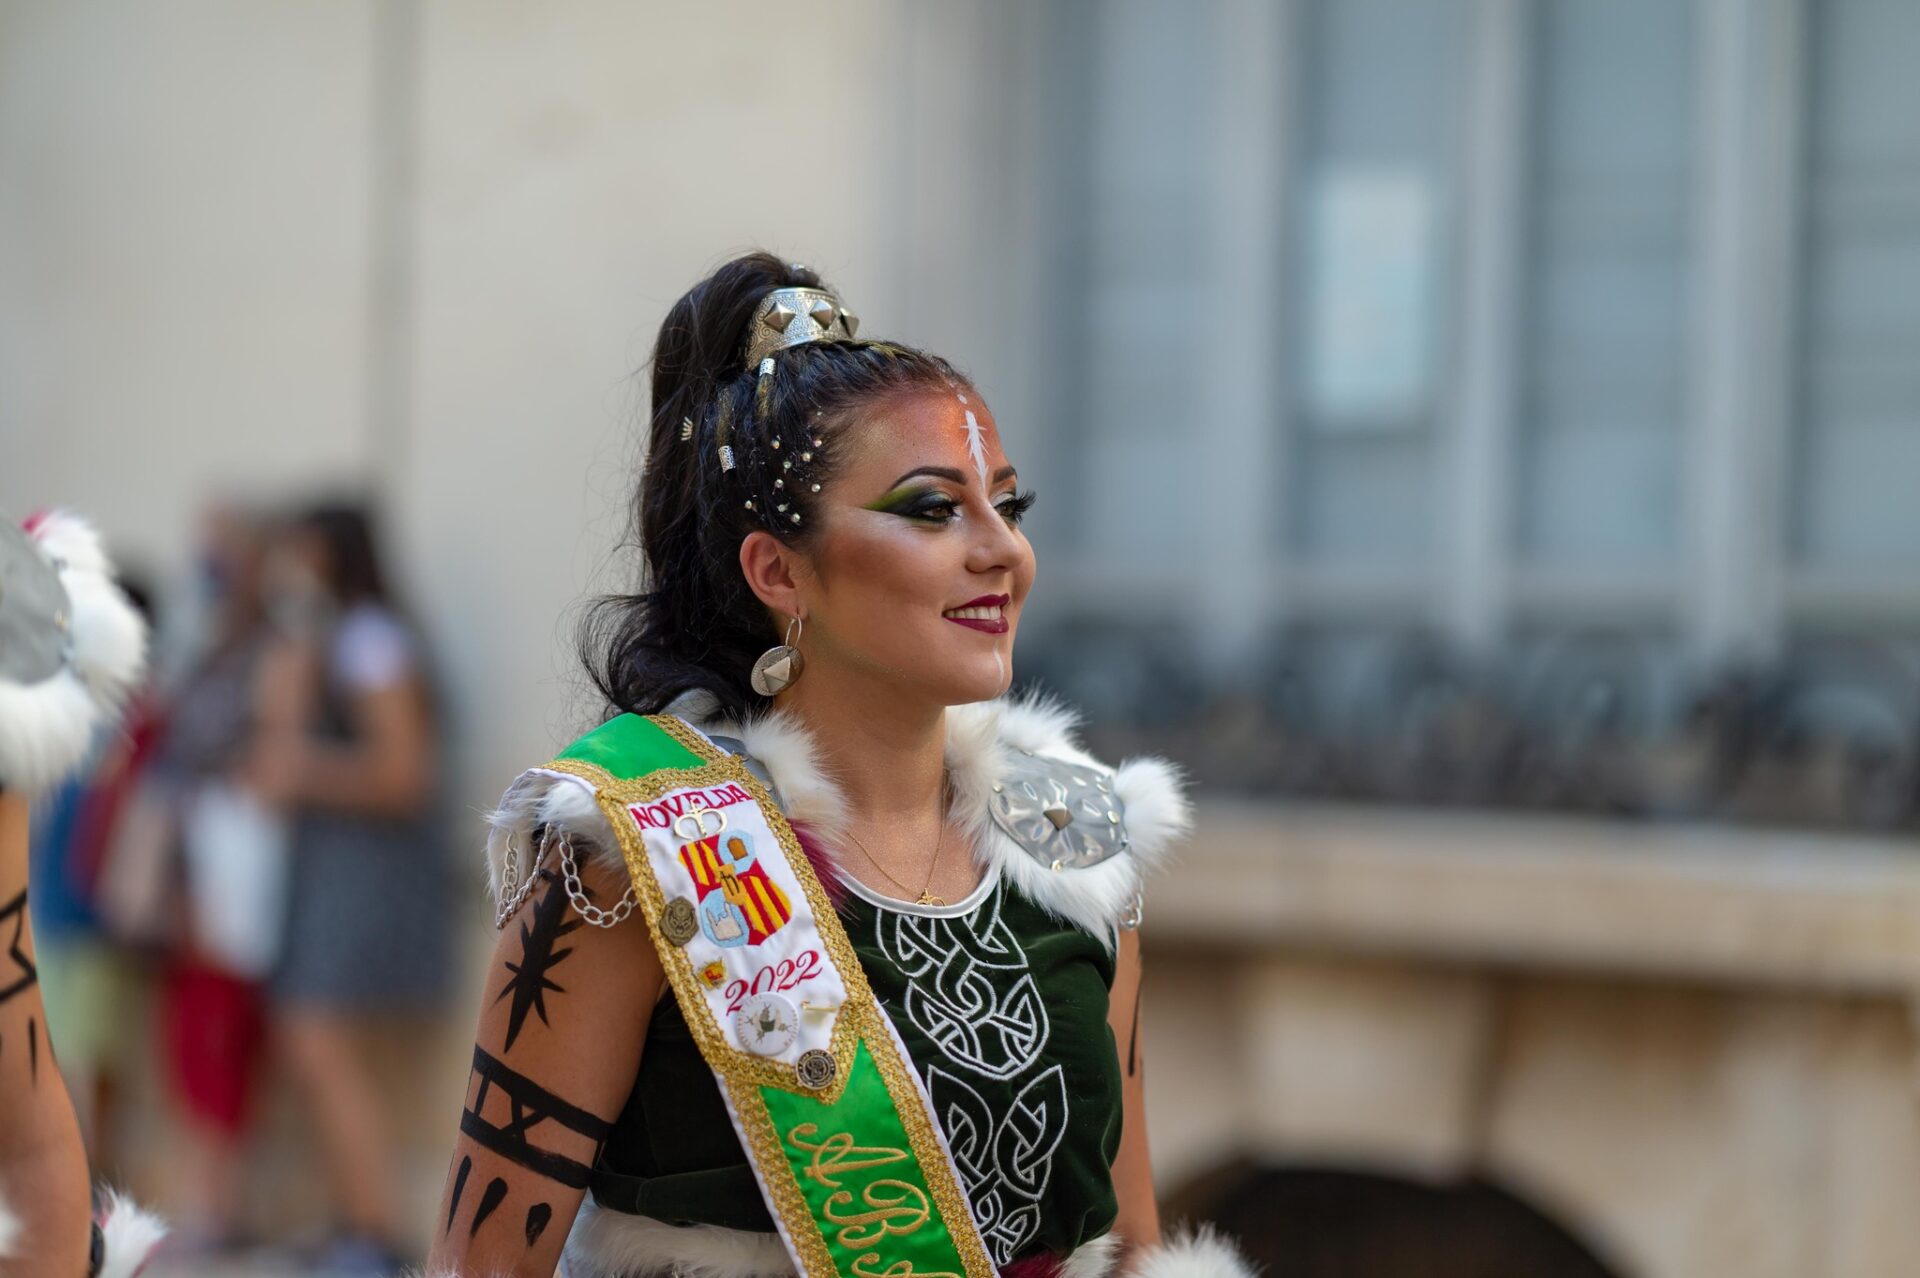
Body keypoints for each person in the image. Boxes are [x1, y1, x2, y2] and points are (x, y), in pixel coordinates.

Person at [425, 254, 1253, 1278]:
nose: (1003, 552)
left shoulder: (1065, 832)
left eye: (1010, 506)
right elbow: (483, 1266)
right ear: (778, 571)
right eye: (932, 509)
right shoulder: (632, 853)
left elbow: (1132, 1242)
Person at [248, 501, 452, 1273]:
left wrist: (300, 768)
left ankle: (375, 1233)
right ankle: (351, 1222)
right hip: (331, 872)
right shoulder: (328, 640)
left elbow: (404, 773)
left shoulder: (370, 640)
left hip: (369, 876)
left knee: (320, 1039)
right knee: (313, 1044)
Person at [0, 509, 165, 1277]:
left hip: (78, 911)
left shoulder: (127, 717)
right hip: (57, 907)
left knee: (79, 1055)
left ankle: (98, 1167)